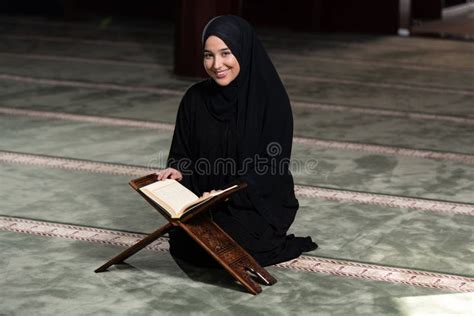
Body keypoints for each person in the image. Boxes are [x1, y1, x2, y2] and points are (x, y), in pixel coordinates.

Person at [157, 15, 317, 267]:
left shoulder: (271, 102)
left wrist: (226, 193)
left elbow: (269, 168)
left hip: (255, 203)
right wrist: (177, 171)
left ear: (244, 51)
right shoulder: (194, 98)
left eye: (225, 53)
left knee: (225, 244)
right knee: (188, 243)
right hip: (203, 200)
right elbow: (182, 153)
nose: (216, 64)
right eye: (208, 55)